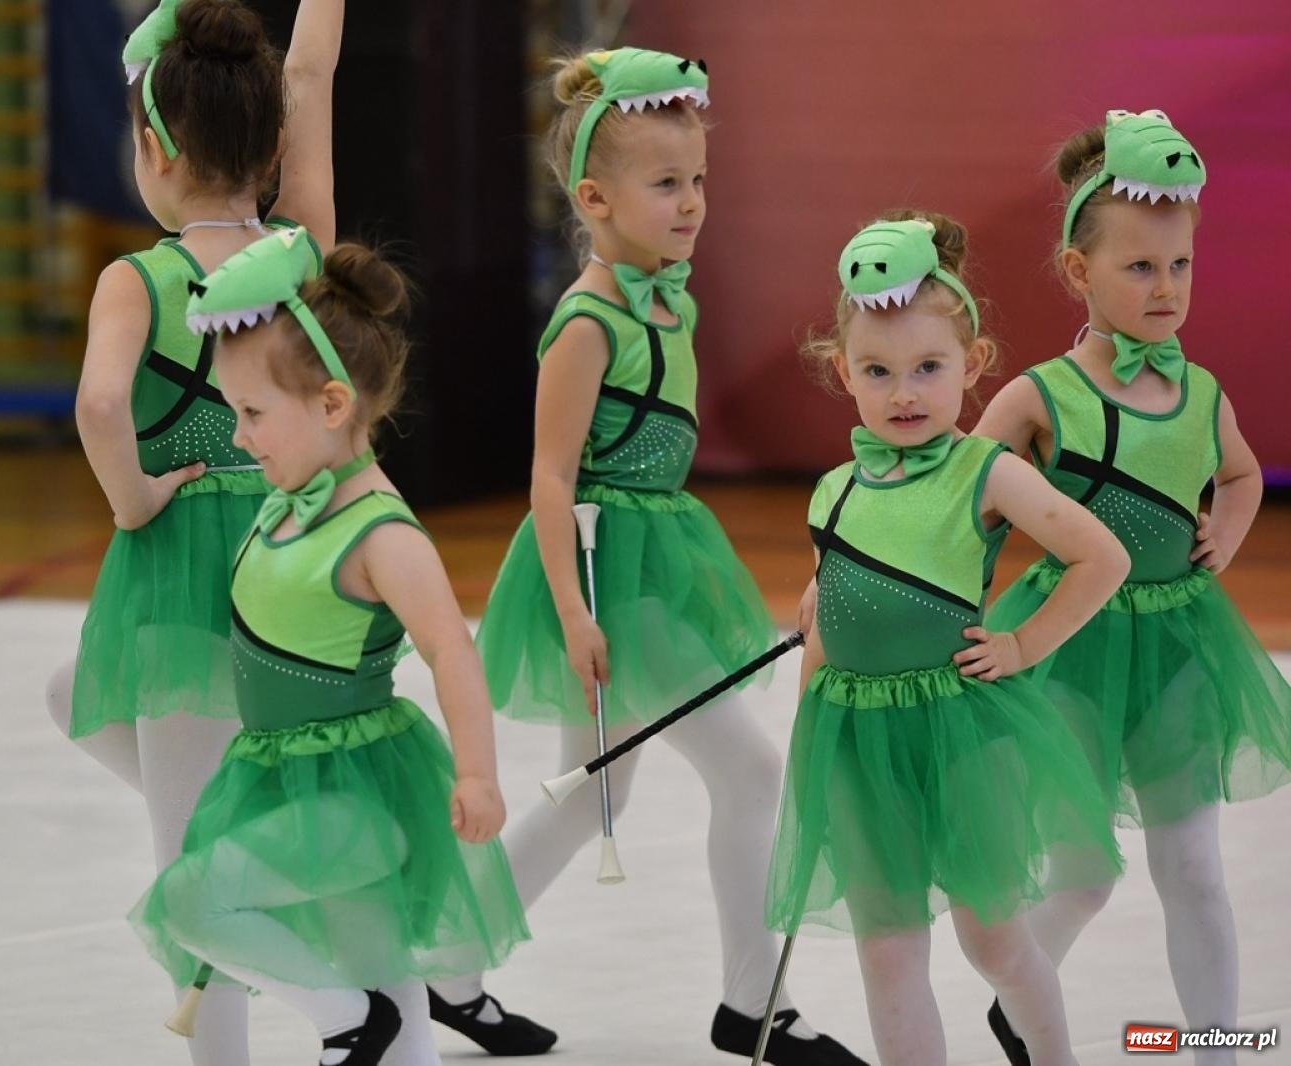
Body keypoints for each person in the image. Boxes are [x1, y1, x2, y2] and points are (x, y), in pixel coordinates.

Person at [447, 47, 863, 1064]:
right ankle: (749, 1006)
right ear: (594, 198)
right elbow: (550, 480)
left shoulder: (667, 298)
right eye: (667, 183)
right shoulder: (586, 322)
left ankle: (444, 971)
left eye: (699, 180)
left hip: (659, 554)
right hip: (607, 575)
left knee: (596, 789)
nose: (692, 203)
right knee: (751, 774)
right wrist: (575, 612)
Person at [131, 228, 529, 1066]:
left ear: (333, 405)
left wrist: (479, 772)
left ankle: (346, 1019)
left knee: (191, 903)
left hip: (353, 797)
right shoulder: (289, 502)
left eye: (251, 414)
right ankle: (366, 1021)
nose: (238, 437)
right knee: (392, 986)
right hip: (287, 782)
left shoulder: (383, 534)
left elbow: (453, 651)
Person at [44, 1, 342, 1059]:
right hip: (288, 549)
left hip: (181, 564)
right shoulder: (302, 257)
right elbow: (310, 75)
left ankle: (330, 1016)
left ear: (151, 149)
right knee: (70, 697)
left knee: (190, 868)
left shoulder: (141, 278)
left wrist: (131, 500)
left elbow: (96, 406)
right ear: (272, 150)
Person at [767, 213, 1128, 1065]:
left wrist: (1024, 644)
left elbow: (1100, 557)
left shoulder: (987, 470)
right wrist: (810, 733)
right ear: (840, 372)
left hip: (958, 733)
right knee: (886, 951)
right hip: (854, 738)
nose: (904, 393)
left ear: (971, 366)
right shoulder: (832, 493)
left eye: (928, 369)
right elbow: (824, 623)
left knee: (993, 941)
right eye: (878, 371)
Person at [975, 110, 1291, 1066]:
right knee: (1081, 873)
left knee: (1191, 867)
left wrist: (1227, 533)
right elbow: (963, 509)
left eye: (1180, 266)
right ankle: (1023, 1000)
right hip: (1071, 649)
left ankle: (1215, 1051)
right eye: (1140, 267)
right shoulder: (1038, 398)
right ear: (1080, 272)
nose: (1166, 289)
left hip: (1182, 650)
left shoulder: (1200, 393)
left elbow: (1239, 476)